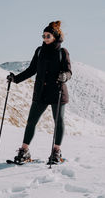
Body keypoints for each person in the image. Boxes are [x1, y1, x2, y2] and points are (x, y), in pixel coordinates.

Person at [7, 21, 72, 163]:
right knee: (31, 121)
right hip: (41, 93)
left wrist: (64, 76)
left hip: (57, 92)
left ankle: (56, 152)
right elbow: (32, 70)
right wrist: (15, 79)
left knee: (58, 121)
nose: (44, 38)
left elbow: (68, 72)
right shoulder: (39, 51)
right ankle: (24, 151)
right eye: (43, 36)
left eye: (47, 36)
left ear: (54, 36)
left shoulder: (62, 52)